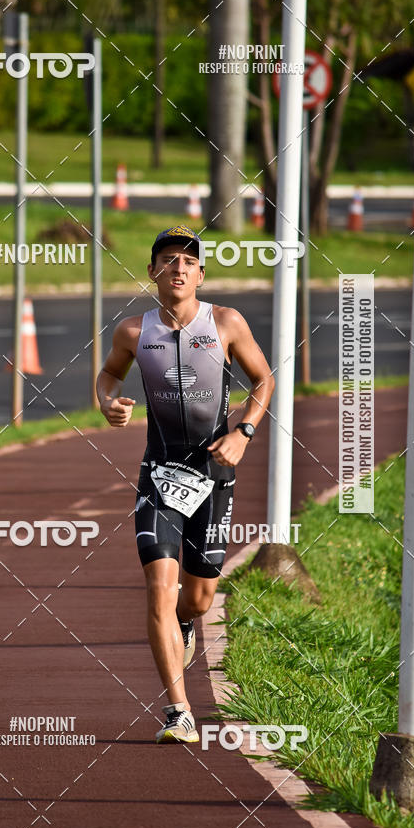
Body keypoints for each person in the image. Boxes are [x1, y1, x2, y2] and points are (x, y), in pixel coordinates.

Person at [96, 225, 275, 743]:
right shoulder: (133, 331)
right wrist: (109, 401)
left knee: (196, 600)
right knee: (158, 589)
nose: (178, 267)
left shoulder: (226, 322)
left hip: (214, 476)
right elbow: (109, 375)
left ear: (201, 273)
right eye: (168, 259)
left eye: (188, 261)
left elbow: (263, 380)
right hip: (159, 475)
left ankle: (187, 625)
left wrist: (243, 433)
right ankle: (179, 711)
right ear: (151, 270)